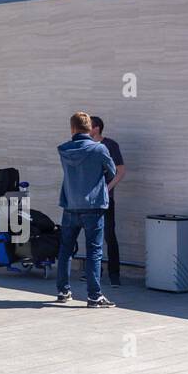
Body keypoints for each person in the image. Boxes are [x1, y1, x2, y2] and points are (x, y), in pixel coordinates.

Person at [55, 111, 117, 308]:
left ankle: (63, 291)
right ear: (90, 128)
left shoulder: (63, 149)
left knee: (65, 250)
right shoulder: (99, 149)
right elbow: (112, 171)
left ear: (72, 128)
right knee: (94, 251)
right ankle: (94, 296)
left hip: (70, 205)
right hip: (93, 206)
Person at [90, 115, 125, 287]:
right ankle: (93, 272)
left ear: (96, 128)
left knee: (109, 236)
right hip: (88, 200)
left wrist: (107, 189)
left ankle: (114, 274)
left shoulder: (110, 145)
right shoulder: (85, 146)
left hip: (106, 199)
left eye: (89, 126)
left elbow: (121, 171)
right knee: (91, 236)